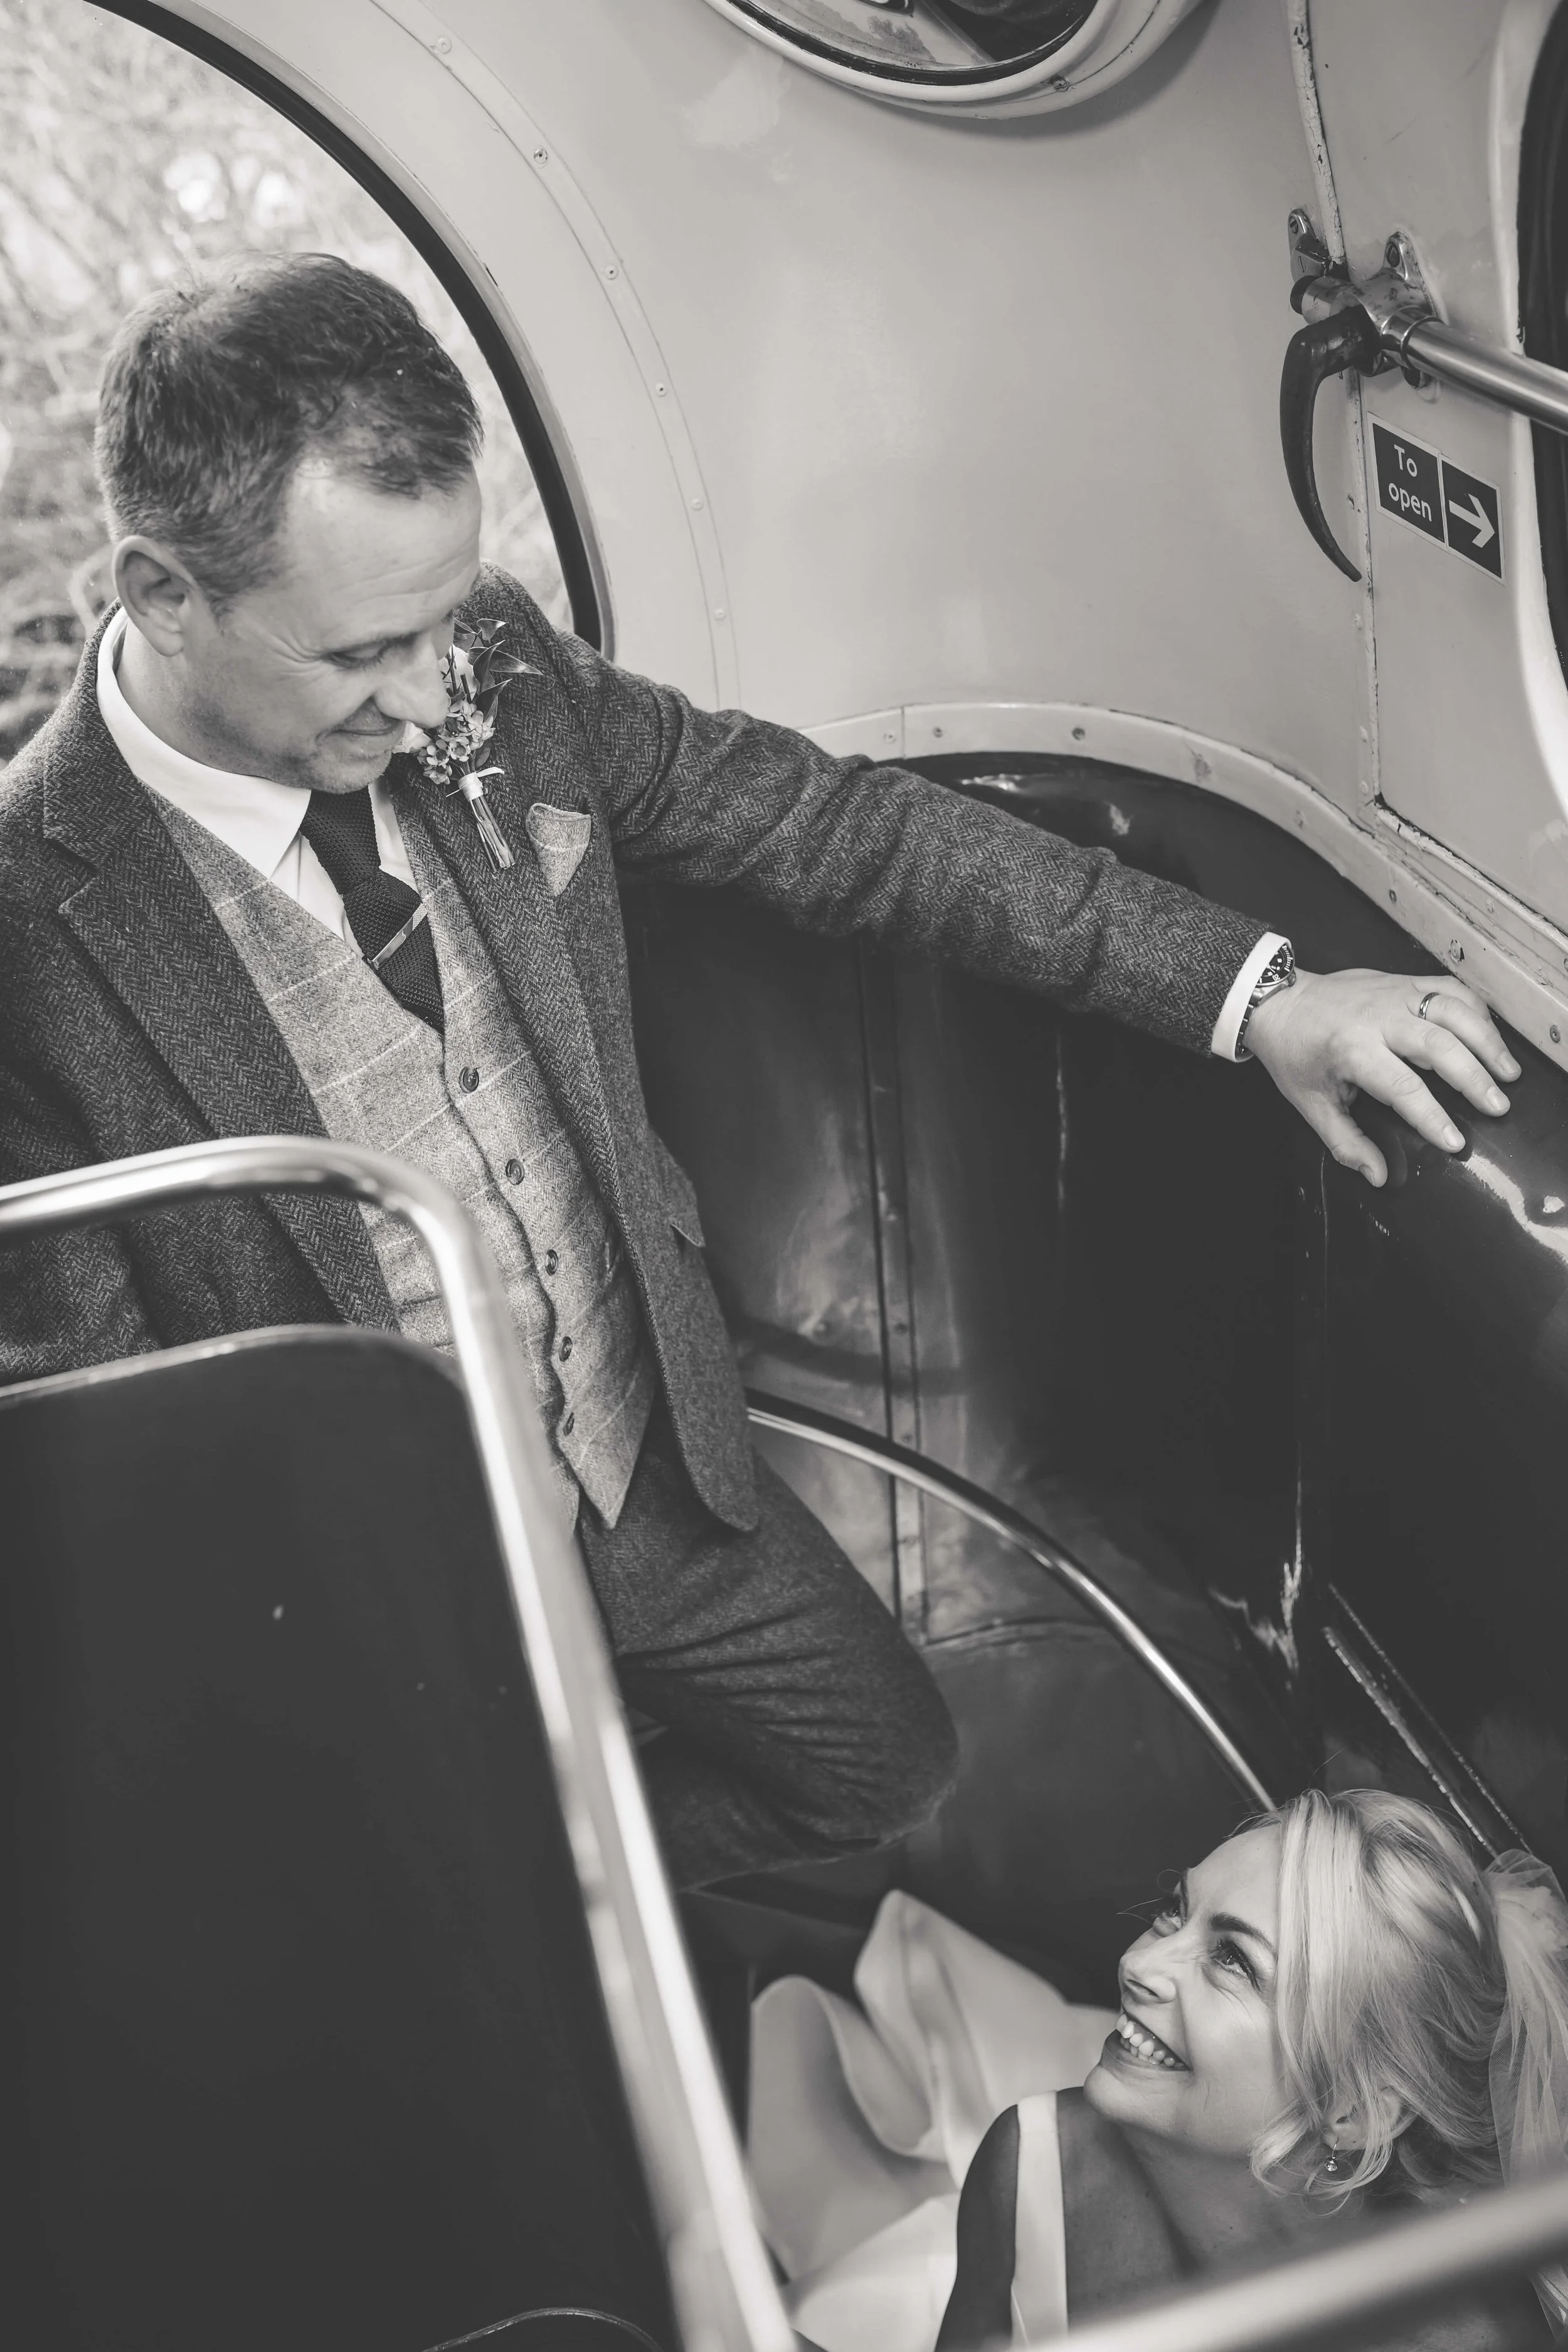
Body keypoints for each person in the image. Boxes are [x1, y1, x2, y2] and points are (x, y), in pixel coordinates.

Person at [0, 253, 1520, 1888]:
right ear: (162, 595)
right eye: (366, 652)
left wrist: (1260, 993)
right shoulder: (28, 926)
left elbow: (842, 832)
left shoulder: (493, 668)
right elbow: (113, 1447)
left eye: (447, 619)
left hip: (649, 1456)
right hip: (367, 1586)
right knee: (454, 1922)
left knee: (886, 1773)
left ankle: (599, 1898)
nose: (438, 690)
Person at [751, 1793, 1568, 2351]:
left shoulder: (1460, 2335)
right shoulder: (1037, 2159)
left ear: (1354, 2110)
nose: (1141, 1961)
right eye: (1176, 1911)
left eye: (1232, 1960)